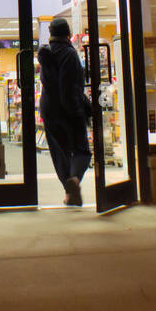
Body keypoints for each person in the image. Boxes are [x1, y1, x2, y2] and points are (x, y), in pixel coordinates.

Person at [37, 17, 92, 206]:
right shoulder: (69, 54)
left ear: (51, 34)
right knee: (81, 150)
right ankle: (74, 180)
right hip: (67, 109)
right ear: (68, 34)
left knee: (59, 153)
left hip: (49, 110)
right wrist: (79, 112)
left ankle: (70, 195)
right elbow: (69, 87)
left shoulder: (46, 54)